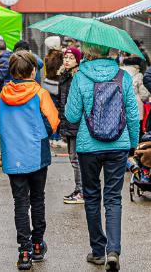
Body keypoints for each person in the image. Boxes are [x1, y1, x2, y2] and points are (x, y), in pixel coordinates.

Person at [64, 42, 140, 272]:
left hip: (88, 146)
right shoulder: (122, 76)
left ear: (87, 53)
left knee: (92, 195)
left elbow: (71, 115)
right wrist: (133, 144)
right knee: (113, 198)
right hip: (118, 144)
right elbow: (133, 114)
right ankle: (113, 250)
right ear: (110, 51)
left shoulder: (80, 76)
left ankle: (98, 250)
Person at [0, 51, 60, 270]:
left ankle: (24, 250)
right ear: (33, 71)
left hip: (13, 155)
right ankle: (38, 243)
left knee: (20, 202)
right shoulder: (39, 93)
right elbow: (53, 122)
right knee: (37, 199)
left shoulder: (3, 95)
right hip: (36, 153)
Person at [57, 47, 84, 204]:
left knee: (76, 159)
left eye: (71, 58)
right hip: (68, 123)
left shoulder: (77, 77)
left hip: (76, 124)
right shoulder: (65, 76)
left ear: (78, 61)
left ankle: (82, 191)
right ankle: (78, 188)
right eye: (65, 57)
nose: (67, 60)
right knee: (73, 159)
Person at [121, 56, 151, 127]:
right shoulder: (139, 75)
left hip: (120, 104)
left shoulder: (118, 73)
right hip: (135, 105)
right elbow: (144, 95)